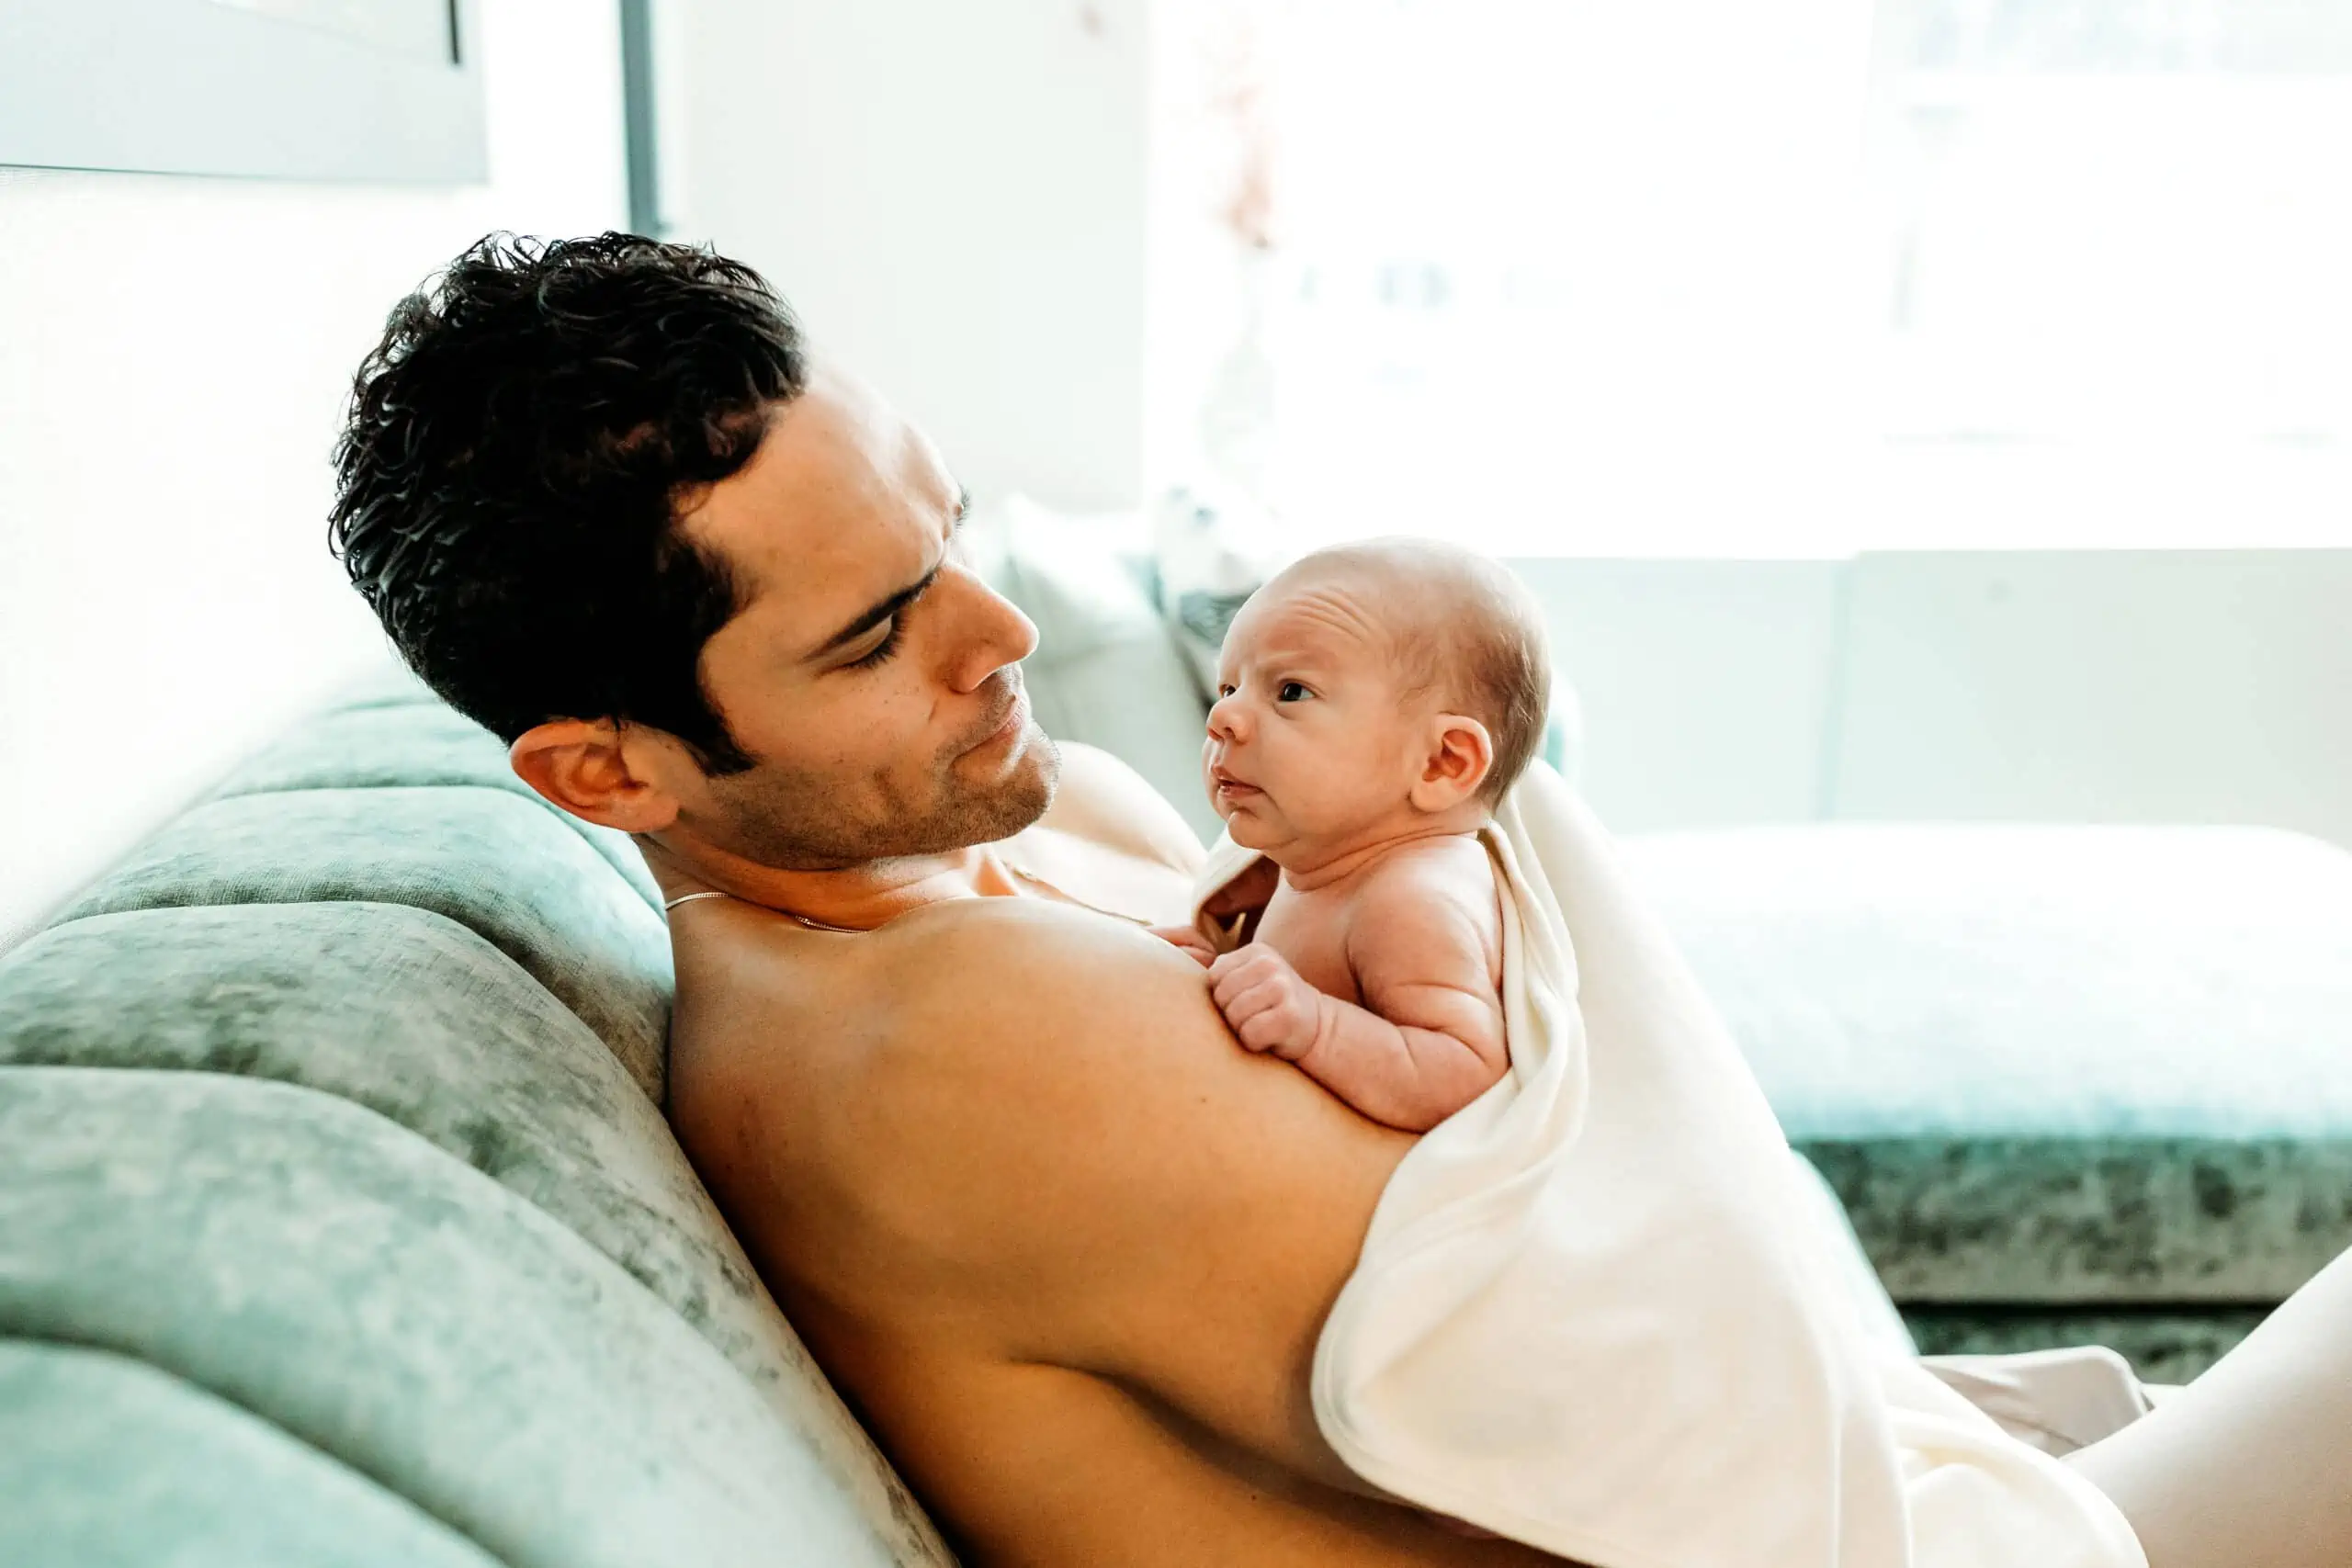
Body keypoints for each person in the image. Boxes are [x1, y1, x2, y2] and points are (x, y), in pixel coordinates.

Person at [331, 231, 2352, 1568]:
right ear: (608, 771)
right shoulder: (928, 1054)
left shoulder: (1024, 840)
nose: (1002, 626)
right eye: (878, 630)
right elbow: (1618, 1407)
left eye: (942, 528)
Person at [1158, 541, 1548, 1134]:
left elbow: (1466, 1073)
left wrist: (1313, 1024)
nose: (1223, 719)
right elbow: (1310, 979)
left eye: (1290, 691)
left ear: (1441, 762)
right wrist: (1224, 971)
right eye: (1230, 689)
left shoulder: (1411, 899)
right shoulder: (1325, 866)